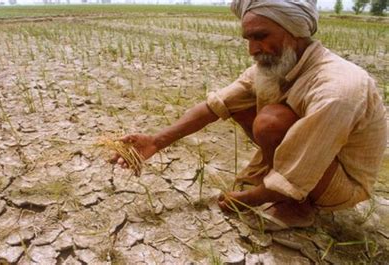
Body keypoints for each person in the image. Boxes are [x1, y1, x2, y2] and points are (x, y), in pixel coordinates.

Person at [111, 0, 387, 230]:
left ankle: (297, 205)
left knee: (271, 121)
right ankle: (275, 182)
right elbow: (215, 106)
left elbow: (311, 155)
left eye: (261, 36)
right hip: (314, 158)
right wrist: (155, 142)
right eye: (249, 38)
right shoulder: (275, 65)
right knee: (242, 105)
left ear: (295, 30)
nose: (253, 49)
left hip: (341, 184)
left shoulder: (337, 88)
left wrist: (248, 198)